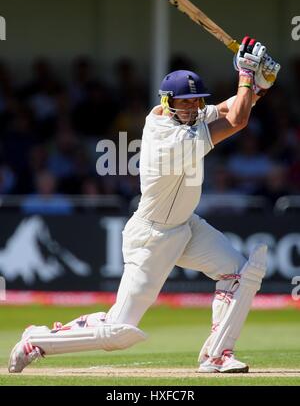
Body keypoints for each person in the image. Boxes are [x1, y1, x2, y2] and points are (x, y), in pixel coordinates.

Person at [8, 36, 280, 374]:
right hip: (152, 238)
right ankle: (38, 340)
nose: (194, 110)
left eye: (197, 103)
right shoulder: (171, 139)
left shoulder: (185, 117)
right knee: (118, 331)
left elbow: (229, 107)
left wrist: (259, 84)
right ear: (167, 104)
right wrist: (247, 76)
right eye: (186, 104)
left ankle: (217, 355)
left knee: (241, 272)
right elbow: (237, 120)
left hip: (186, 226)